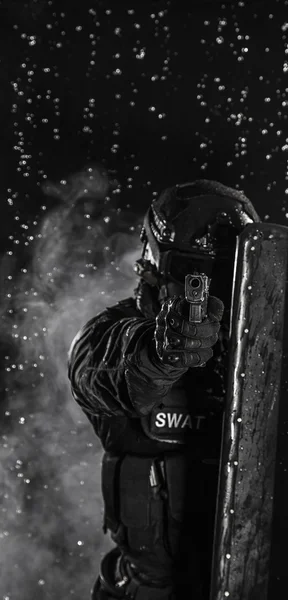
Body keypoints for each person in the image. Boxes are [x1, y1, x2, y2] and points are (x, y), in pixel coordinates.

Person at [67, 179, 260, 599]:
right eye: (199, 272)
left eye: (228, 274)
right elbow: (113, 373)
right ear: (159, 263)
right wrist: (162, 354)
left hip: (239, 582)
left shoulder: (255, 349)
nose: (212, 290)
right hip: (148, 588)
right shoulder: (108, 335)